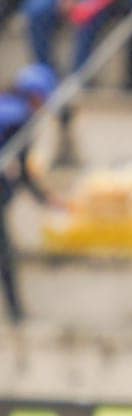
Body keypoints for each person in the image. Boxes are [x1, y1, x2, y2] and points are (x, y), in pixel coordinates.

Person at [0, 64, 61, 325]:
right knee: (4, 254)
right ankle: (16, 314)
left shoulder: (7, 108)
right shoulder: (20, 119)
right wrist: (46, 200)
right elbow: (23, 171)